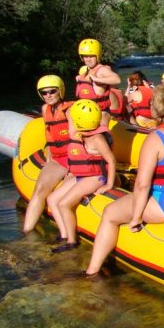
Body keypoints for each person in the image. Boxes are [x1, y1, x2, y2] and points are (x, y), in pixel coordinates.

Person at [84, 85, 164, 276]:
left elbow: (142, 184)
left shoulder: (156, 138)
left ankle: (92, 271)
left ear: (157, 108)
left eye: (152, 102)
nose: (149, 105)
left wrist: (136, 217)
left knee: (110, 213)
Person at [47, 99, 116, 253]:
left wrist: (109, 184)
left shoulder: (97, 139)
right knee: (52, 199)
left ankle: (72, 241)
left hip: (95, 177)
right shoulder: (80, 134)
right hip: (81, 175)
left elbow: (111, 160)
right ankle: (64, 234)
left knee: (64, 204)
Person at [23, 75, 74, 235]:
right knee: (39, 190)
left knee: (62, 197)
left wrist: (75, 166)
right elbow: (51, 133)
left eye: (52, 91)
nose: (48, 95)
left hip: (73, 158)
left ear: (60, 91)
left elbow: (78, 138)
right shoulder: (45, 110)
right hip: (57, 159)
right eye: (44, 93)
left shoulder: (70, 110)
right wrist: (49, 155)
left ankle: (67, 235)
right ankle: (27, 232)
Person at [75, 38, 121, 127]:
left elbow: (117, 79)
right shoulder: (86, 72)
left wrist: (97, 79)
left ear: (97, 56)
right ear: (82, 57)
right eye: (85, 56)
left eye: (91, 56)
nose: (88, 59)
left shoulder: (102, 70)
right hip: (85, 115)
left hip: (100, 115)